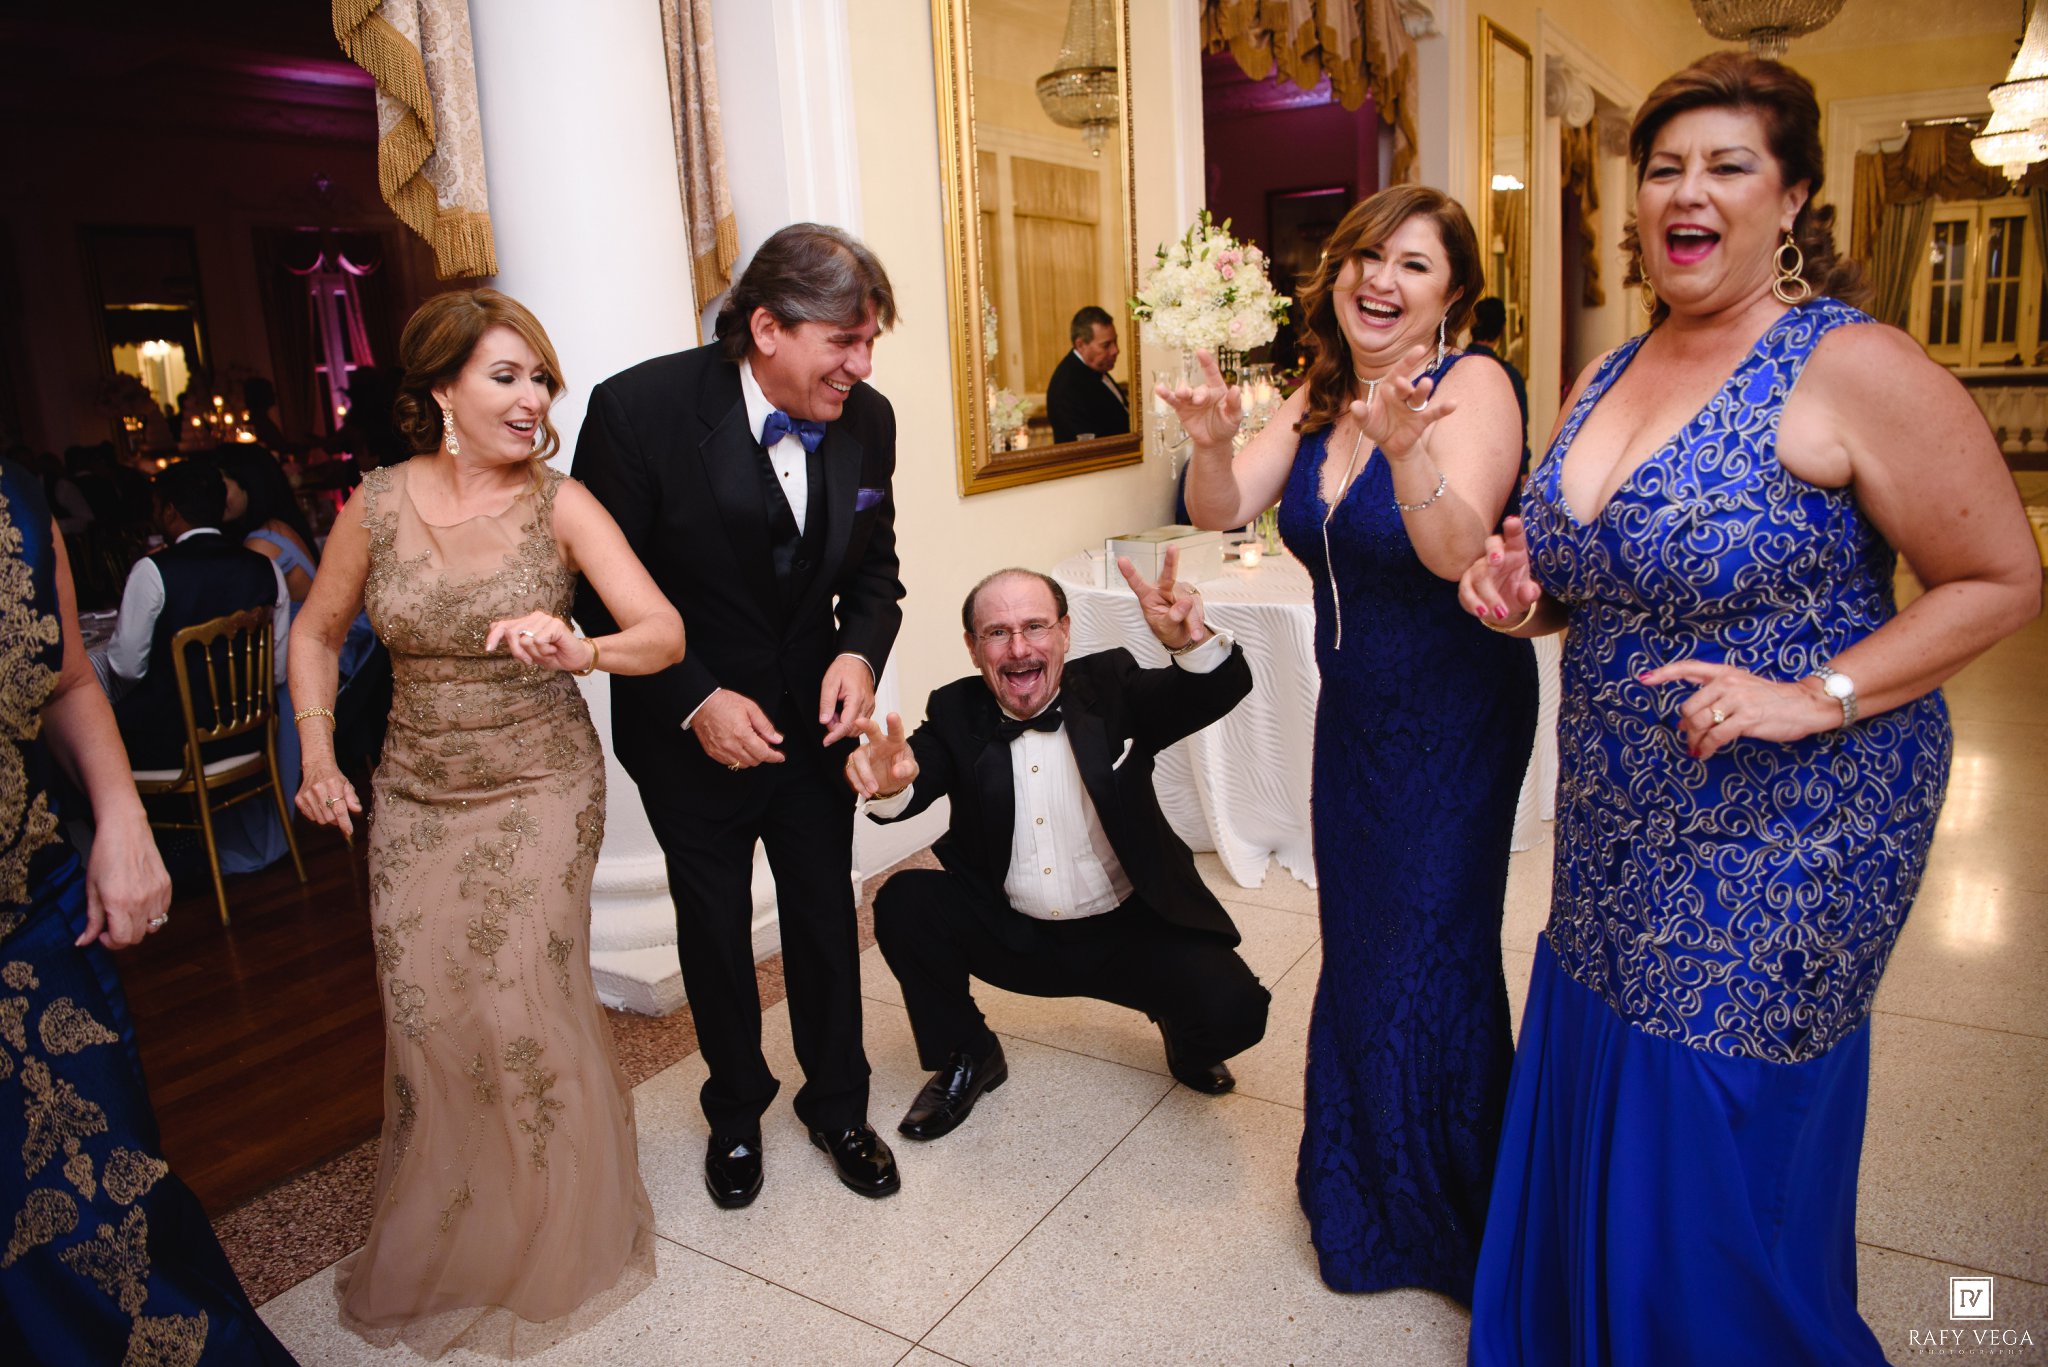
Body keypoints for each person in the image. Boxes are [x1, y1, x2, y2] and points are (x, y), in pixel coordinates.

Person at [1457, 54, 2041, 1362]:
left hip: (1798, 813)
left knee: (1706, 1100)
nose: (1688, 191)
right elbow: (1581, 587)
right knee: (1615, 1046)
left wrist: (1812, 696)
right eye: (1664, 166)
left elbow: (2001, 579)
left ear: (1791, 200)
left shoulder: (1848, 363)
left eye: (1727, 165)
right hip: (1618, 808)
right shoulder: (1603, 374)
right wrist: (1520, 598)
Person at [290, 289, 683, 1356]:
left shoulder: (562, 504)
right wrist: (317, 756)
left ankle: (558, 1220)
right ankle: (469, 1212)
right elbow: (315, 634)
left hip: (540, 783)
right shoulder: (376, 505)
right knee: (428, 1007)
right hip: (416, 793)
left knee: (521, 994)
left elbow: (661, 631)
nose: (532, 398)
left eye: (540, 378)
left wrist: (582, 648)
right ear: (440, 390)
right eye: (506, 376)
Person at [1162, 183, 1536, 1300]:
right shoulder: (1317, 392)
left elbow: (1453, 552)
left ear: (1452, 294)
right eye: (1367, 256)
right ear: (1336, 274)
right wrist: (1212, 443)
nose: (1381, 279)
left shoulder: (1474, 385)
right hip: (1358, 714)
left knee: (1434, 945)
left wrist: (1409, 451)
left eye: (1414, 264)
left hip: (1455, 713)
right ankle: (1364, 1178)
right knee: (1363, 942)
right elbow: (1220, 507)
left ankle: (1454, 1205)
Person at [572, 223, 908, 1208]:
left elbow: (877, 575)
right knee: (714, 930)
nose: (861, 365)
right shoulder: (636, 411)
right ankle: (734, 1110)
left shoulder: (868, 419)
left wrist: (857, 652)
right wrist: (694, 700)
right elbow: (594, 593)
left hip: (813, 728)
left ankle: (838, 1104)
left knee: (824, 916)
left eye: (869, 342)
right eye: (843, 341)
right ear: (766, 327)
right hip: (687, 734)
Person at [0, 459, 297, 1363]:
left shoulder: (21, 505)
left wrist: (122, 815)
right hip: (234, 740)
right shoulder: (258, 565)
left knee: (110, 1204)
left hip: (30, 908)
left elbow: (84, 675)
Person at [853, 557, 1269, 1140]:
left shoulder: (1111, 686)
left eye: (1035, 627)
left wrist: (1188, 642)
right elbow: (912, 778)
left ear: (1065, 633)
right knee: (904, 901)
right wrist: (889, 783)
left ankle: (1184, 1032)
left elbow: (1213, 690)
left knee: (1236, 1011)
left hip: (1130, 931)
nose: (1019, 648)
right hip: (1013, 933)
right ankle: (970, 1053)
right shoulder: (955, 711)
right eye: (997, 633)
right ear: (973, 649)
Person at [107, 460, 289, 771]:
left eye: (156, 507)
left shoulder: (152, 570)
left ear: (170, 511)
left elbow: (126, 667)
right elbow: (277, 672)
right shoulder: (266, 568)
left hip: (175, 746)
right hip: (253, 736)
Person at [1464, 297, 1529, 517]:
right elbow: (1519, 431)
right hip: (1500, 475)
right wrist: (1523, 470)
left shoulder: (1452, 369)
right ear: (1501, 330)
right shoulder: (1510, 376)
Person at [1045, 305, 1131, 444]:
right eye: (1106, 345)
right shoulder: (1066, 386)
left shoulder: (1095, 367)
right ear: (1080, 345)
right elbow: (1085, 444)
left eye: (1115, 341)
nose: (1115, 350)